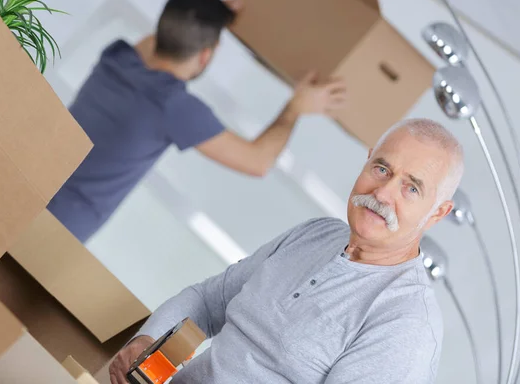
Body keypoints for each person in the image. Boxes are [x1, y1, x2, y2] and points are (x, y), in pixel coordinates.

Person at [108, 118, 464, 384]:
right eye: (382, 168)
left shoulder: (407, 325)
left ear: (437, 213)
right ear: (367, 161)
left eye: (411, 189)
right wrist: (148, 340)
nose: (383, 193)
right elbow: (207, 302)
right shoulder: (316, 234)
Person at [47, 0, 347, 243]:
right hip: (60, 228)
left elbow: (164, 36)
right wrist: (296, 107)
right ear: (206, 55)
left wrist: (213, 19)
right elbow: (258, 162)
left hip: (33, 187)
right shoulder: (173, 107)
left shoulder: (118, 56)